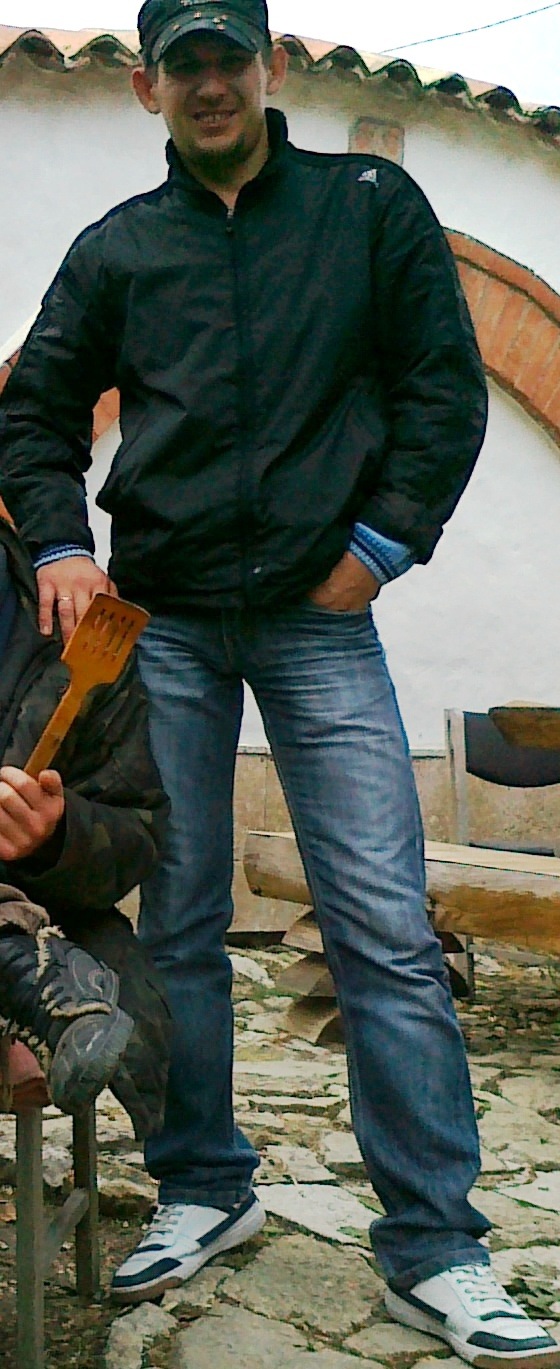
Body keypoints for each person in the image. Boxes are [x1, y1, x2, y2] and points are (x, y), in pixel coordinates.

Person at [0, 1, 557, 1360]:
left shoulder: (368, 209)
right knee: (182, 923)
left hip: (319, 625)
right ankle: (204, 1185)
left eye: (226, 58)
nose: (208, 83)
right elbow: (35, 410)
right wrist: (62, 542)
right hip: (167, 626)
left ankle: (437, 1246)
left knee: (382, 927)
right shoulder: (120, 248)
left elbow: (444, 391)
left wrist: (378, 548)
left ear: (273, 66)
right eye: (181, 64)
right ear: (146, 86)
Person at [0, 512, 172, 1139]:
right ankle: (20, 969)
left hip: (48, 909)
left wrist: (56, 835)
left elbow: (137, 834)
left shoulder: (66, 625)